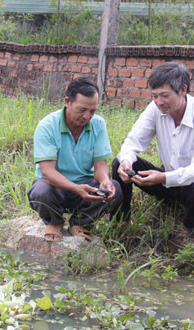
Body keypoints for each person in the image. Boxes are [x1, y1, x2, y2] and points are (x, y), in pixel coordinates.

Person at [112, 62, 194, 239]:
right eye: (154, 96)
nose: (158, 102)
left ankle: (193, 221)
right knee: (119, 162)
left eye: (164, 96)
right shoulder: (155, 109)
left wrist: (164, 177)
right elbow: (134, 141)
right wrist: (126, 161)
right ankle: (120, 220)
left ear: (183, 90)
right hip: (167, 181)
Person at [27, 77, 123, 242]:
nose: (87, 116)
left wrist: (105, 180)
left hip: (86, 189)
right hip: (55, 187)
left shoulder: (98, 125)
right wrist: (75, 188)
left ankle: (79, 222)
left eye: (92, 111)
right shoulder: (47, 126)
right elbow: (48, 172)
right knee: (41, 192)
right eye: (82, 109)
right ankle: (54, 221)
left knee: (115, 189)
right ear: (67, 102)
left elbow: (100, 165)